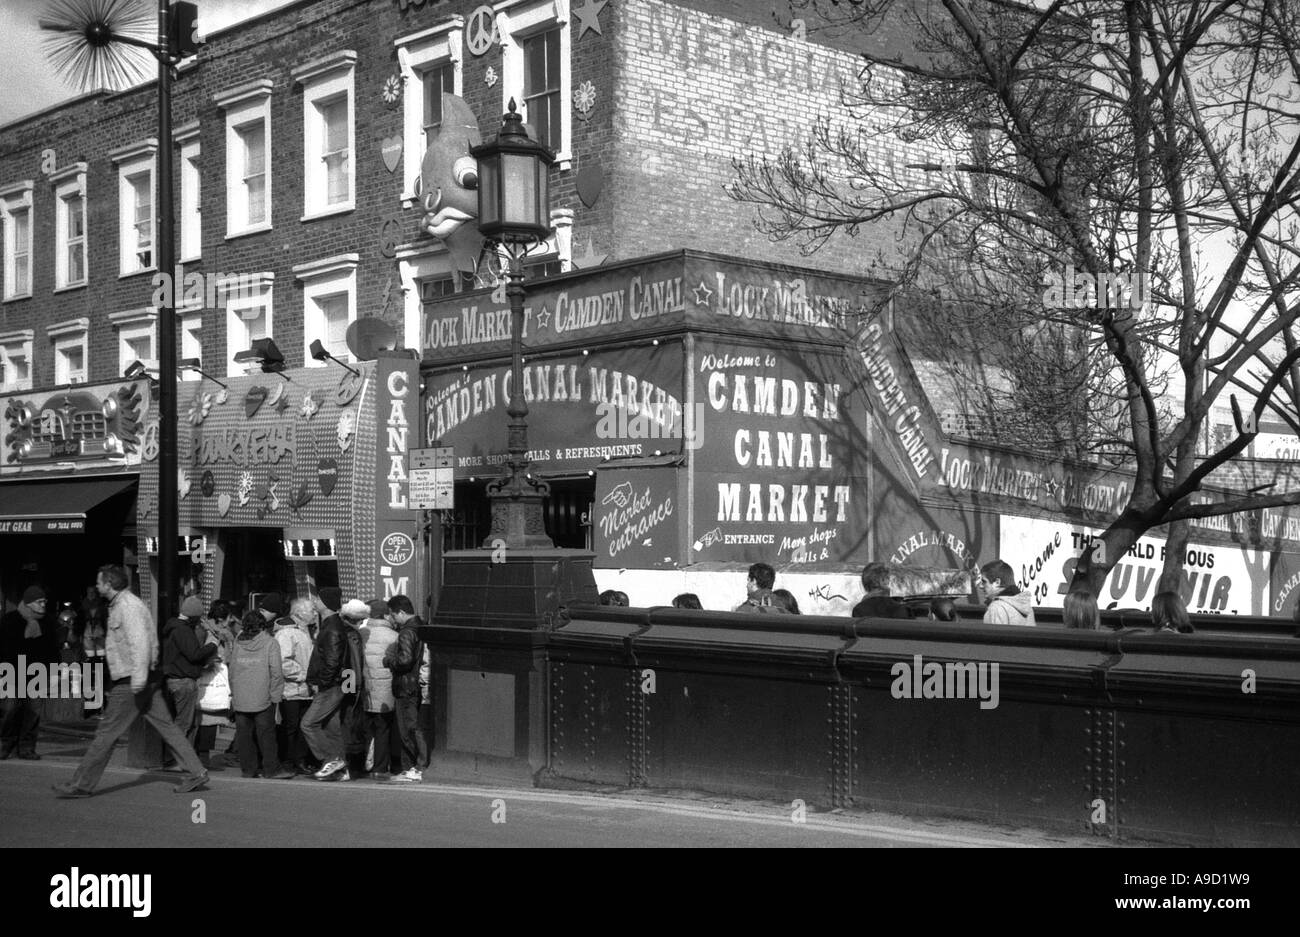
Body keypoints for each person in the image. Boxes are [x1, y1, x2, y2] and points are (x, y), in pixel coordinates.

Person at [52, 565, 208, 798]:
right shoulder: (124, 604)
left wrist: (138, 679)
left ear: (109, 584)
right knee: (167, 726)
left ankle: (81, 784)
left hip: (131, 680)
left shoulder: (127, 606)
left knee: (106, 732)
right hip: (142, 678)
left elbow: (140, 643)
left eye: (99, 582)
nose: (97, 586)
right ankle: (197, 771)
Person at [230, 610, 291, 779]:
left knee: (244, 736)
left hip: (241, 696)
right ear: (263, 625)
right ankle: (271, 769)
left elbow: (232, 669)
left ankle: (248, 769)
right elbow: (277, 672)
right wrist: (276, 695)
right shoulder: (270, 643)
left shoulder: (238, 642)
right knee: (266, 736)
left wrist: (234, 691)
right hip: (263, 695)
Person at [302, 587, 353, 781]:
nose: (314, 601)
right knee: (332, 727)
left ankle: (331, 759)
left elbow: (332, 661)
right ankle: (341, 769)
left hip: (331, 685)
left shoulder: (331, 628)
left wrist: (321, 682)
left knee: (308, 723)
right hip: (337, 683)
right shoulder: (332, 625)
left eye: (317, 599)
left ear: (326, 603)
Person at [1, 586, 57, 759]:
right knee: (10, 710)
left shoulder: (47, 622)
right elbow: (2, 648)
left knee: (33, 713)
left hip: (37, 674)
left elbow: (52, 650)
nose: (43, 605)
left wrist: (53, 672)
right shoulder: (10, 620)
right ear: (28, 603)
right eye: (39, 602)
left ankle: (26, 747)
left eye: (44, 601)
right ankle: (5, 744)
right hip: (13, 672)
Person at [161, 594, 218, 754]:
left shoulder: (174, 628)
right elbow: (194, 654)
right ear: (193, 616)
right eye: (199, 617)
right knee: (184, 722)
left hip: (176, 679)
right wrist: (212, 645)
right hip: (184, 681)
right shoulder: (183, 630)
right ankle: (175, 756)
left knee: (186, 721)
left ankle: (180, 756)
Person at [385, 594, 427, 782]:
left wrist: (389, 659)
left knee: (408, 729)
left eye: (393, 615)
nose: (392, 619)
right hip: (417, 686)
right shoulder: (422, 627)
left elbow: (405, 660)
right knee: (415, 727)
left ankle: (414, 767)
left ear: (401, 612)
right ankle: (414, 766)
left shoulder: (406, 632)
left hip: (406, 686)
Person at [275, 598, 317, 774]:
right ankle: (289, 760)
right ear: (300, 613)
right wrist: (303, 675)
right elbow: (283, 661)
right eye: (312, 610)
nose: (315, 613)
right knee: (291, 726)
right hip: (291, 689)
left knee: (301, 725)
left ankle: (298, 759)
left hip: (303, 689)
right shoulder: (286, 633)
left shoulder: (305, 631)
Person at [361, 599, 398, 779]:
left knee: (364, 727)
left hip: (363, 689)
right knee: (383, 729)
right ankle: (380, 768)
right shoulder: (393, 635)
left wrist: (349, 688)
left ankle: (360, 764)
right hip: (385, 689)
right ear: (385, 615)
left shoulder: (360, 633)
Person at [979, 560, 1036, 626]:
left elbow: (993, 636)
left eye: (984, 581)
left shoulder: (996, 608)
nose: (981, 586)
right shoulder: (1028, 609)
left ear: (997, 582)